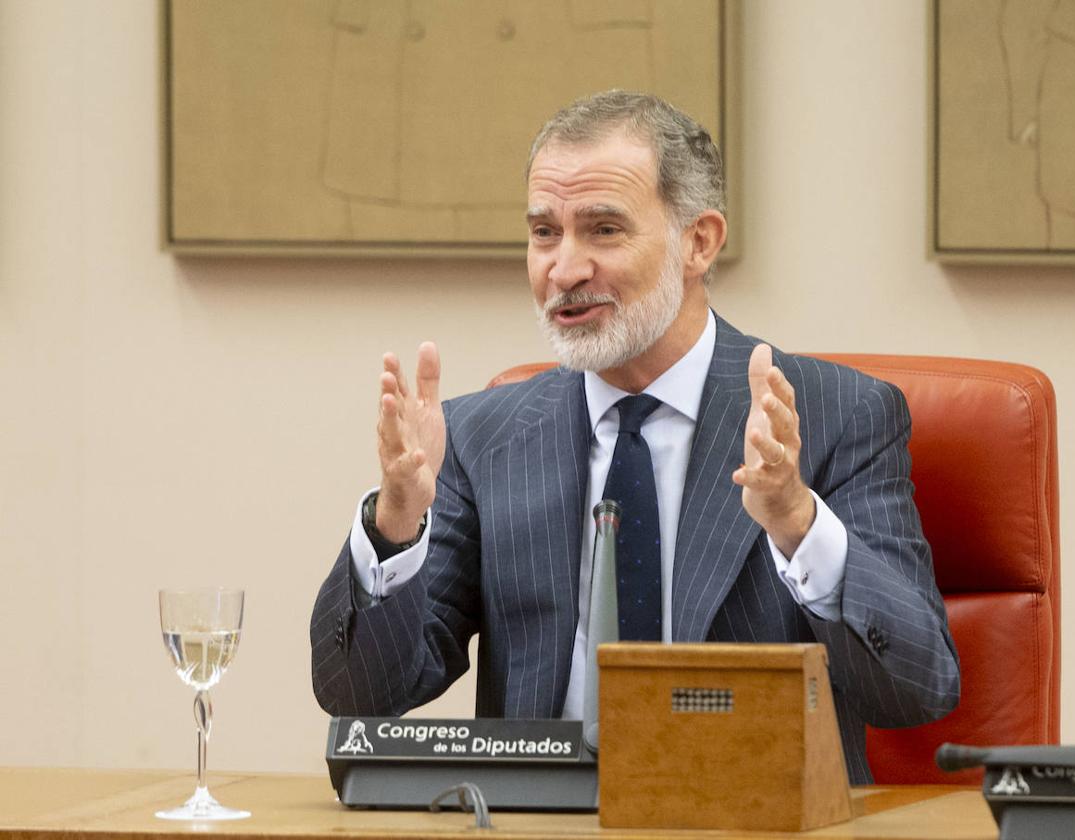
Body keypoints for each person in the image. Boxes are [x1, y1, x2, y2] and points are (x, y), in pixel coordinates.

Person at [311, 90, 959, 784]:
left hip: (752, 825)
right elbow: (360, 696)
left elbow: (917, 689)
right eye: (543, 233)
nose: (563, 270)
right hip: (541, 831)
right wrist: (396, 522)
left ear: (699, 241)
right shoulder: (482, 439)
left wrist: (799, 523)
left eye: (604, 230)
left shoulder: (836, 418)